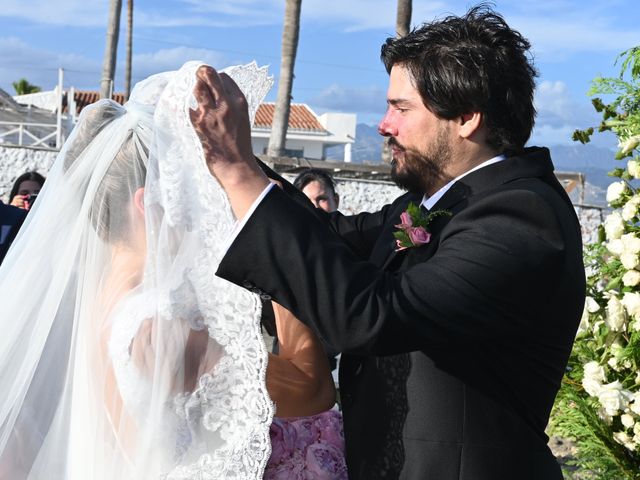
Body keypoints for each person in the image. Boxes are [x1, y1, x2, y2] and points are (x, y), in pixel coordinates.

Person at [190, 5, 586, 480]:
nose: (383, 124)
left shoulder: (521, 215)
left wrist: (239, 172)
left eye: (401, 108)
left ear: (466, 116)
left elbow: (376, 315)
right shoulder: (434, 201)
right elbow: (329, 236)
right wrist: (228, 165)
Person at [0, 62, 345, 479]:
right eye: (193, 193)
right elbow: (313, 389)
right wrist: (281, 244)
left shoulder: (96, 298)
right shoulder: (156, 325)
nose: (207, 208)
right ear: (149, 204)